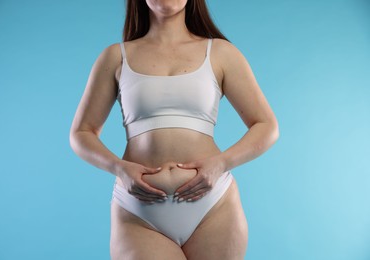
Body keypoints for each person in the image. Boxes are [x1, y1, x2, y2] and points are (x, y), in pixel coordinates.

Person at [69, 0, 279, 259]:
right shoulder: (115, 57)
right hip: (139, 213)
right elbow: (81, 133)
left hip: (213, 208)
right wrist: (119, 168)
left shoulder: (221, 53)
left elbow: (266, 125)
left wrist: (222, 163)